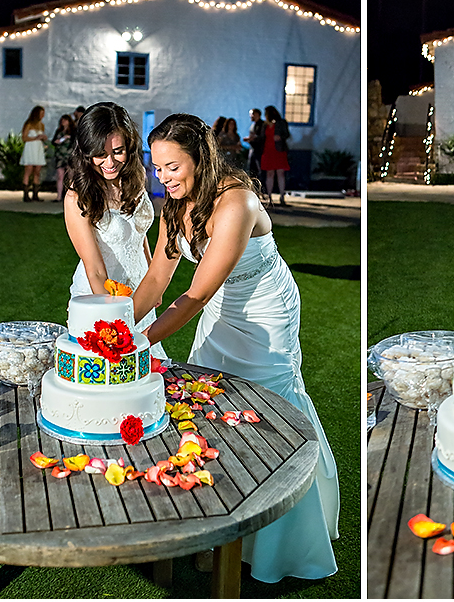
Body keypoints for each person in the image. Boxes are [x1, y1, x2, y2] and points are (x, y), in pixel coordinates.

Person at [131, 113, 338, 582]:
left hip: (265, 311)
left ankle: (284, 540)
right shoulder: (173, 204)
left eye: (172, 167)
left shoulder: (236, 202)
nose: (162, 177)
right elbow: (158, 280)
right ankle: (219, 521)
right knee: (207, 405)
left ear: (200, 158)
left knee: (271, 407)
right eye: (156, 167)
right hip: (221, 305)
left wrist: (137, 344)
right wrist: (119, 325)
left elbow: (195, 294)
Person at [63, 102, 167, 359]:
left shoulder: (135, 178)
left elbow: (139, 235)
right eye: (100, 153)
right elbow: (95, 269)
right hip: (101, 300)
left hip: (141, 294)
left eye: (118, 151)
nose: (109, 162)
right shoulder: (78, 197)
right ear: (87, 151)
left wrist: (155, 283)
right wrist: (113, 318)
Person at [261, 105, 291, 207]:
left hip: (278, 150)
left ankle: (282, 196)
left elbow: (287, 134)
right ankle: (269, 196)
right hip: (268, 150)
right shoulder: (265, 125)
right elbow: (262, 137)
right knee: (270, 173)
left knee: (280, 173)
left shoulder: (281, 123)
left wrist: (280, 137)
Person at [20, 105, 47, 202]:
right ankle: (26, 194)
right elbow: (24, 138)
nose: (43, 115)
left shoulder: (42, 125)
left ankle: (35, 194)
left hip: (38, 148)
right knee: (28, 170)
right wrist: (35, 138)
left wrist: (43, 138)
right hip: (30, 147)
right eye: (41, 113)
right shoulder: (29, 124)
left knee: (37, 172)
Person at [51, 114, 76, 202]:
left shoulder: (73, 131)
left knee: (70, 176)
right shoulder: (59, 131)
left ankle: (71, 195)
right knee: (60, 176)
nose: (63, 122)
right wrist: (57, 141)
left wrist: (68, 137)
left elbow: (76, 141)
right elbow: (53, 141)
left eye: (65, 120)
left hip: (69, 156)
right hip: (60, 156)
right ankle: (59, 196)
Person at [243, 108, 267, 177]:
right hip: (253, 149)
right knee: (252, 169)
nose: (251, 116)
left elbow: (262, 137)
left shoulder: (262, 125)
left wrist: (253, 139)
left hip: (260, 150)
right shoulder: (253, 125)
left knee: (259, 170)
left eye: (252, 114)